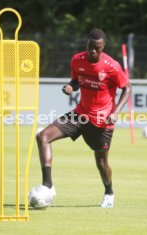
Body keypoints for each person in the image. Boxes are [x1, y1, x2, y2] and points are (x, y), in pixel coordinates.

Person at [34, 28, 131, 208]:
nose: (93, 50)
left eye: (98, 48)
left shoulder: (112, 66)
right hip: (80, 115)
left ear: (103, 47)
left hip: (102, 122)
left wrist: (116, 112)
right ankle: (48, 185)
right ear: (86, 43)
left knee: (101, 162)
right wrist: (70, 87)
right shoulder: (77, 59)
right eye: (91, 46)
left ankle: (109, 192)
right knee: (43, 136)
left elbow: (127, 88)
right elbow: (76, 81)